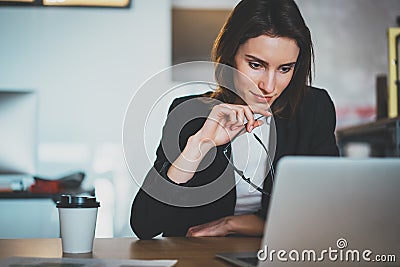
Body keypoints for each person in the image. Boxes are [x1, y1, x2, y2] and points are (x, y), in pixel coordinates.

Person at [130, 0, 339, 239]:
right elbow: (145, 225)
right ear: (230, 56)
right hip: (198, 257)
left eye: (284, 69)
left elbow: (326, 216)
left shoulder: (314, 109)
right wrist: (198, 145)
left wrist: (233, 224)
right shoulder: (188, 112)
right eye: (256, 65)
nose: (269, 86)